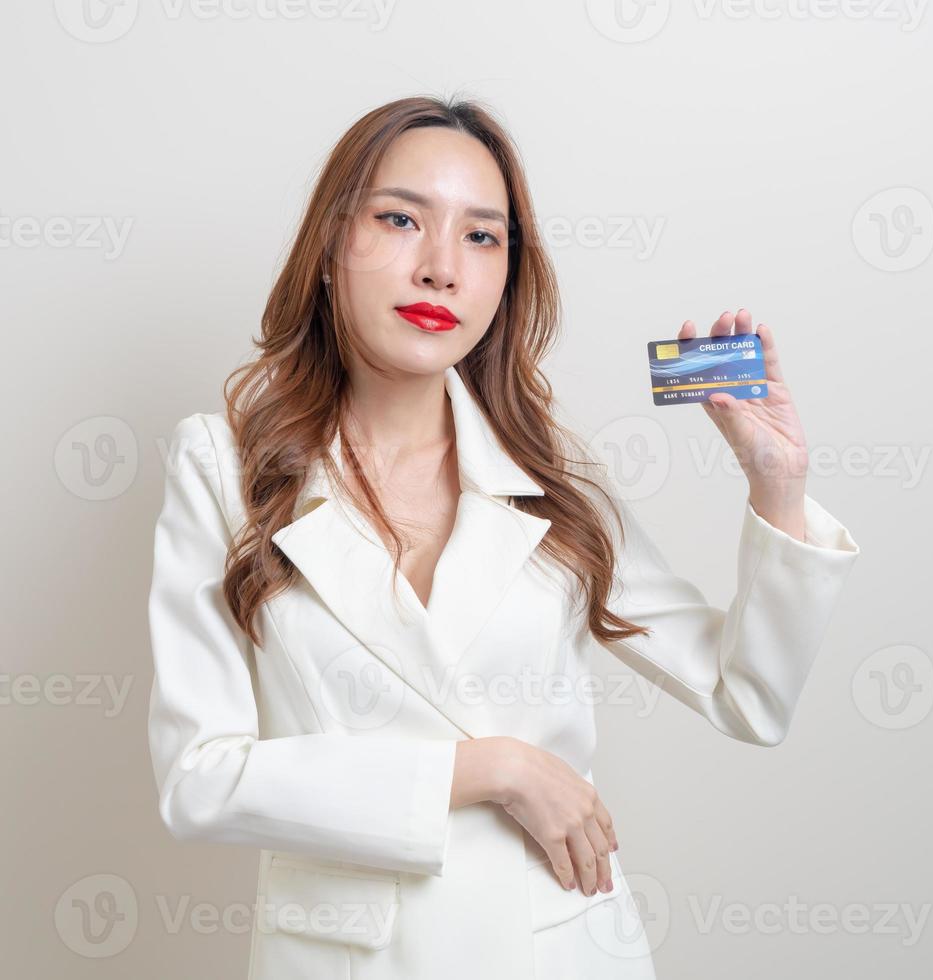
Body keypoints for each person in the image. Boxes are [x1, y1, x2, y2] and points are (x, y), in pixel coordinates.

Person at [147, 94, 861, 980]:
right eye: (400, 219)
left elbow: (748, 696)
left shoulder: (551, 470)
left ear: (507, 278)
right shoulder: (222, 466)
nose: (441, 268)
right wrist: (492, 770)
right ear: (330, 249)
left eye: (482, 237)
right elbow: (200, 782)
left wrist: (778, 487)